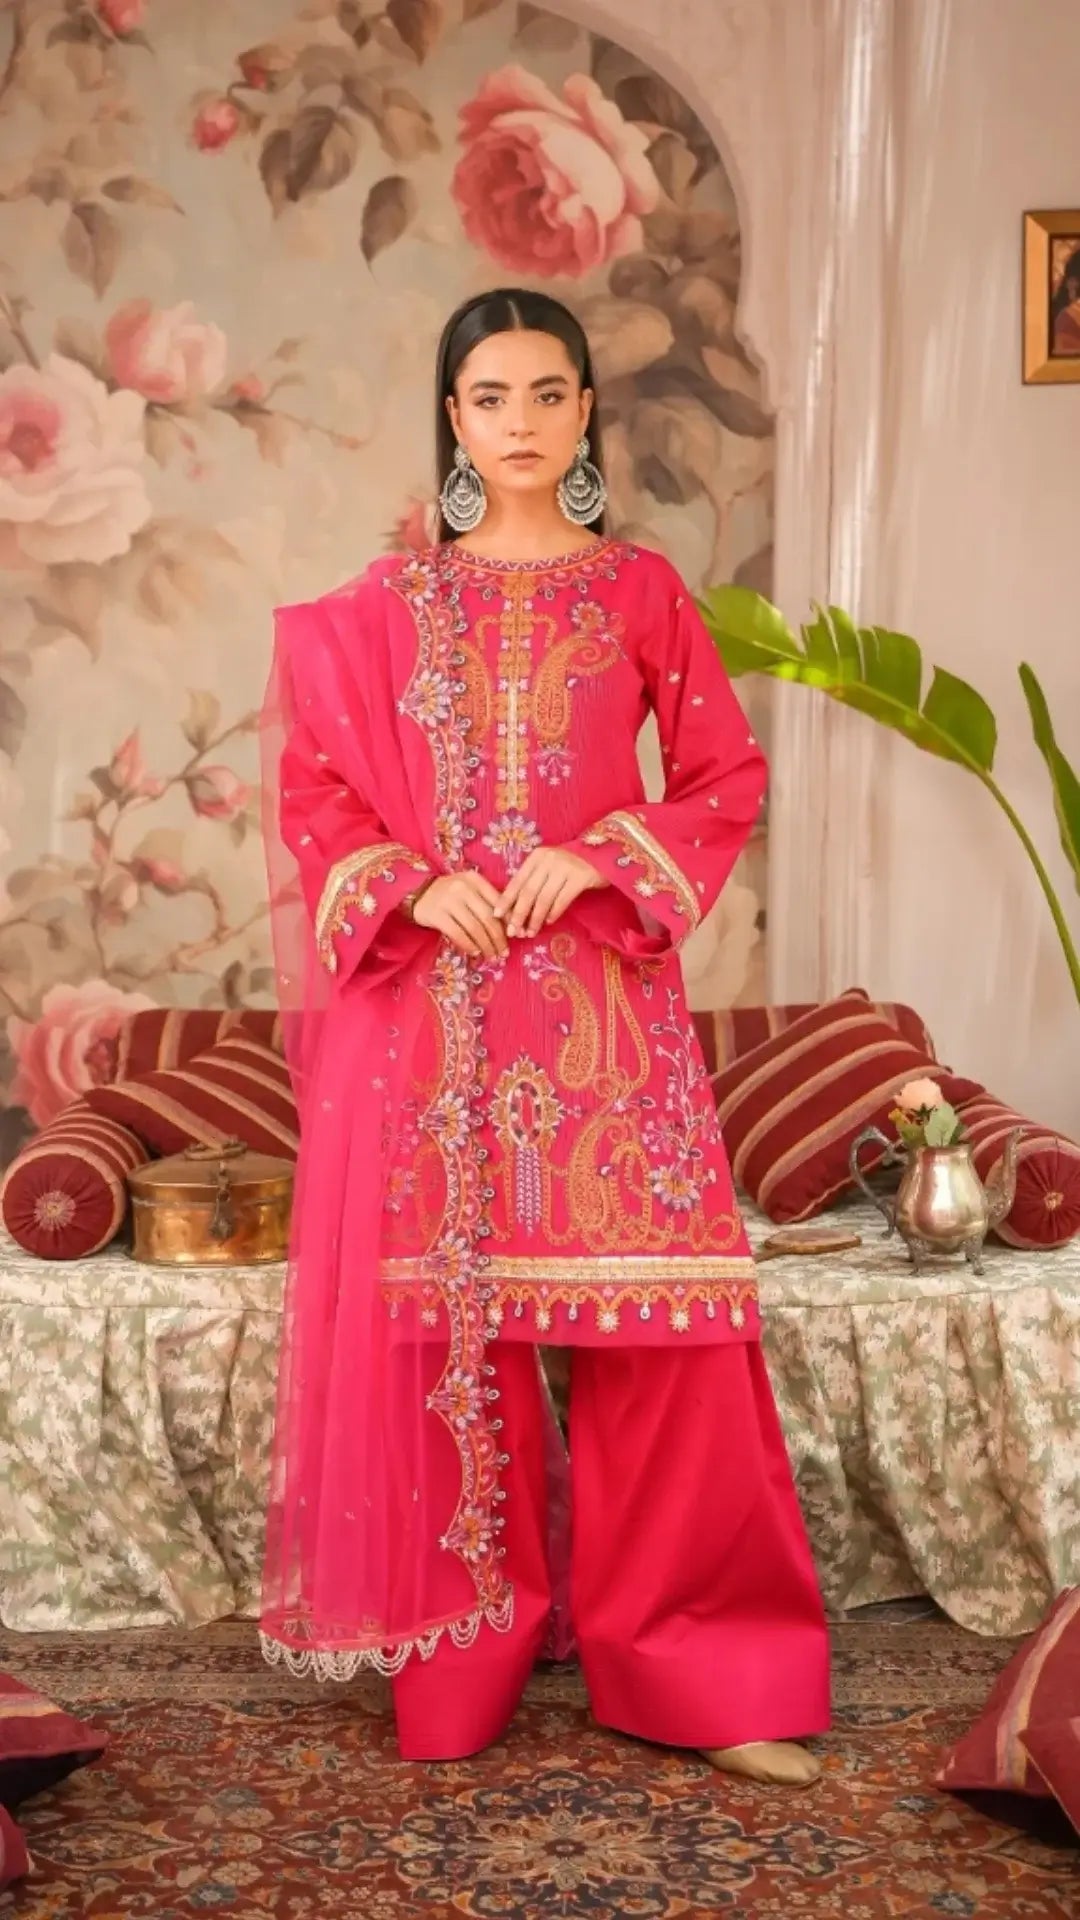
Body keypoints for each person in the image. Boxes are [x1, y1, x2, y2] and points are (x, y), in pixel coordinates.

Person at [259, 287, 831, 1787]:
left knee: (666, 1346)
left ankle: (708, 1673)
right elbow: (321, 794)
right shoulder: (386, 608)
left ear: (588, 413)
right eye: (491, 397)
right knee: (462, 1345)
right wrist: (411, 881)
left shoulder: (642, 592)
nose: (520, 423)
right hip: (439, 1022)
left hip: (602, 1010)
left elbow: (721, 771)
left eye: (548, 394)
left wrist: (613, 852)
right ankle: (466, 1654)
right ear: (455, 419)